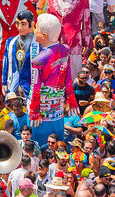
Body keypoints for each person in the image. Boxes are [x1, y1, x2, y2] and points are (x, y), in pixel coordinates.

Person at [29, 14, 79, 144]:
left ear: (44, 35)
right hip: (58, 106)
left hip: (42, 108)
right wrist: (71, 100)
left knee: (41, 141)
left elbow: (36, 86)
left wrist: (34, 111)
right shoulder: (65, 50)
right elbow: (68, 77)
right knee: (57, 139)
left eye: (36, 28)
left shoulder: (39, 60)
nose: (34, 31)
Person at [3, 10, 40, 101]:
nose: (19, 27)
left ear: (32, 24)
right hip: (13, 83)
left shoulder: (39, 42)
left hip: (30, 84)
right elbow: (6, 63)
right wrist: (4, 82)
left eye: (23, 24)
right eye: (17, 23)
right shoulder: (11, 42)